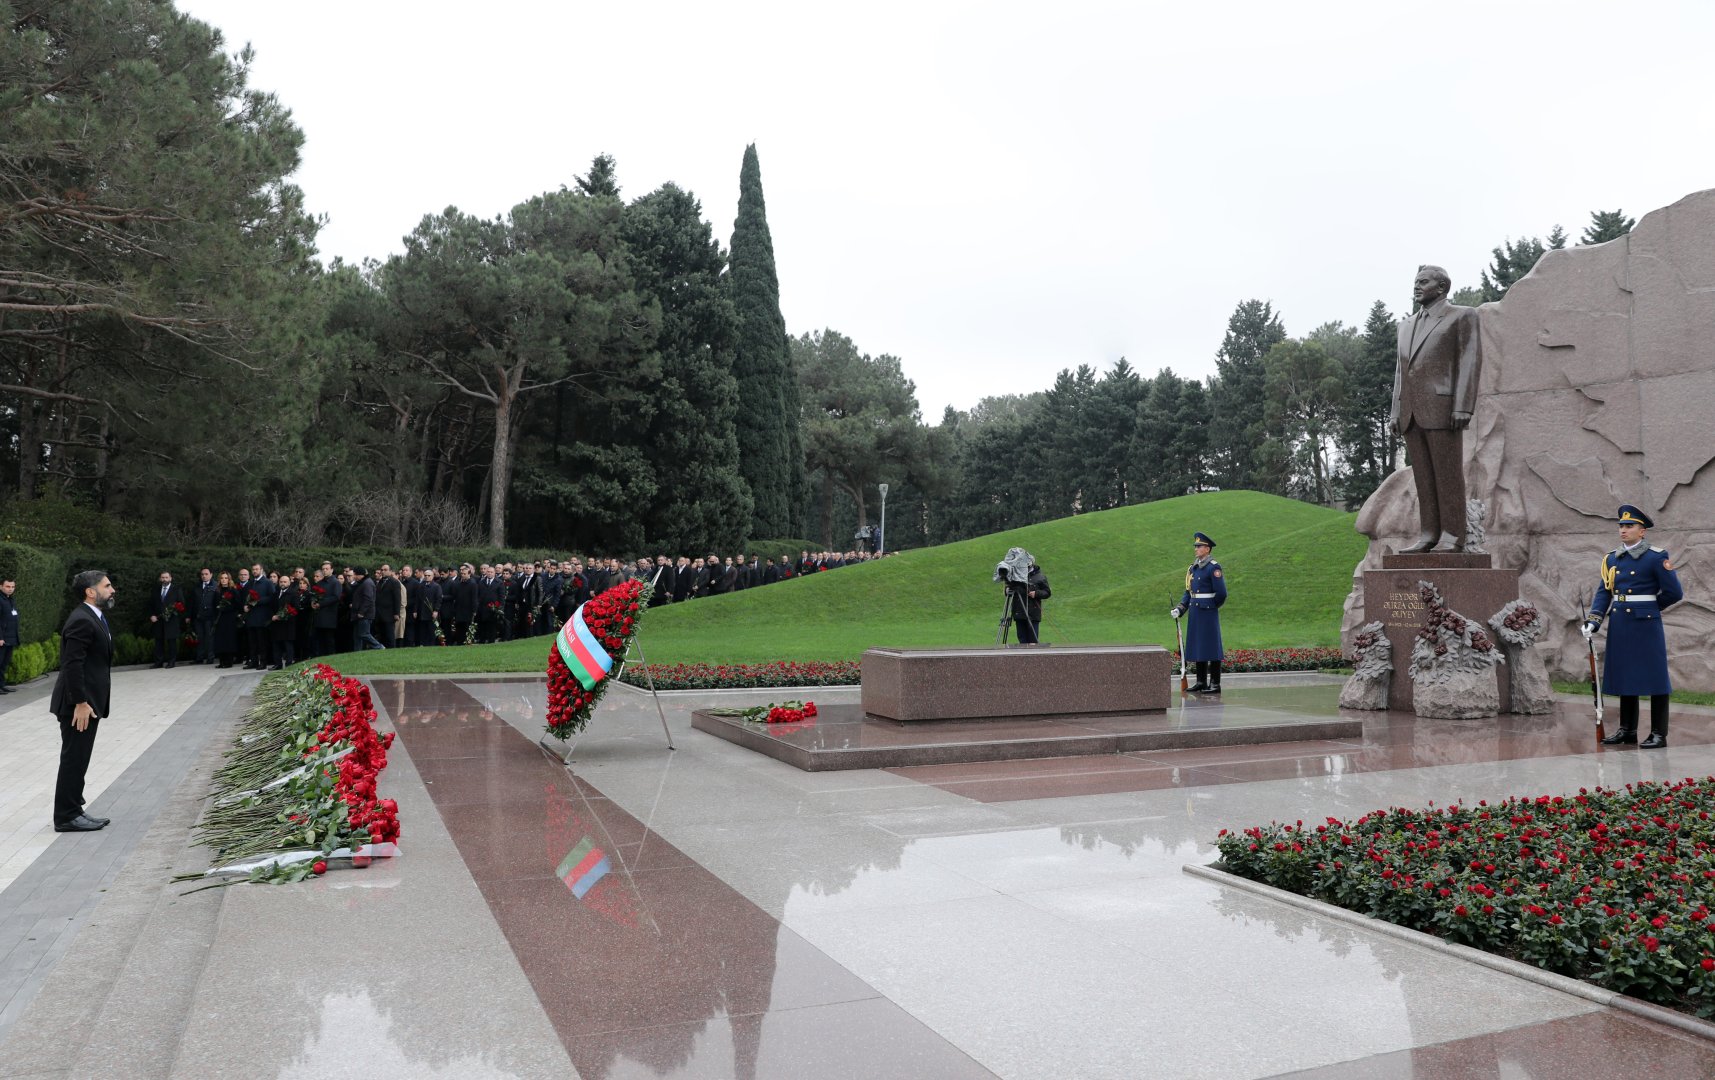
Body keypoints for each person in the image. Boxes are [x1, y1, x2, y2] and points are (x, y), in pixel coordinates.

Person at [1391, 264, 1482, 552]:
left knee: (1448, 475)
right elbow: (1400, 372)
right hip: (1412, 413)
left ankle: (1453, 535)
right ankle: (1428, 533)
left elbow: (1470, 361)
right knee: (1424, 478)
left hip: (1443, 409)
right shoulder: (1405, 326)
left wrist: (1463, 406)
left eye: (1423, 282)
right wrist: (1396, 411)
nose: (1416, 286)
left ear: (1442, 287)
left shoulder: (1461, 315)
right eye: (1415, 282)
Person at [1585, 505, 1684, 749]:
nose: (1623, 530)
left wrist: (1650, 608)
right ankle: (1627, 730)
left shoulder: (1656, 556)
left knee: (1655, 678)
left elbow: (1674, 592)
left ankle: (1659, 733)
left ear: (1642, 532)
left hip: (1646, 625)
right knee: (1625, 675)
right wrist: (1594, 620)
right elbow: (1604, 592)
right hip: (1620, 624)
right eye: (1621, 526)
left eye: (1629, 526)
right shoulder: (1611, 558)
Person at [52, 570, 115, 832]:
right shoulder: (81, 620)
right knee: (74, 759)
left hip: (86, 703)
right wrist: (80, 702)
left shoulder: (93, 616)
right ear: (91, 592)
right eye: (107, 586)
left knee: (79, 759)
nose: (112, 590)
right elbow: (72, 664)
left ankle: (74, 810)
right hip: (78, 705)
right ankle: (66, 816)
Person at [1171, 532, 1228, 693]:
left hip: (1208, 611)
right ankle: (1201, 681)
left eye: (1199, 546)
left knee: (1212, 646)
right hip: (1195, 612)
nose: (1196, 549)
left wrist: (1211, 606)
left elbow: (1222, 593)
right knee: (1198, 646)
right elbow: (1188, 592)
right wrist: (1180, 608)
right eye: (1195, 546)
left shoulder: (1213, 567)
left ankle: (1215, 684)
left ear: (1207, 549)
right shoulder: (1193, 568)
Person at [147, 570, 185, 668]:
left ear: (170, 578)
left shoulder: (176, 589)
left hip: (171, 620)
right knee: (158, 642)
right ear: (160, 578)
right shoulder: (156, 589)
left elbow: (181, 603)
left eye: (166, 577)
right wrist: (151, 615)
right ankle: (158, 662)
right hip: (158, 620)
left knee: (171, 642)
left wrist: (172, 611)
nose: (164, 579)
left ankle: (171, 662)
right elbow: (151, 604)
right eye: (162, 577)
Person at [212, 571, 241, 668]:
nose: (224, 580)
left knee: (229, 639)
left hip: (230, 618)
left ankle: (229, 662)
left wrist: (227, 608)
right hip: (220, 618)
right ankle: (221, 661)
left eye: (226, 578)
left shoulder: (233, 590)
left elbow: (237, 605)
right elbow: (214, 604)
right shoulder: (217, 591)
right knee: (220, 639)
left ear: (229, 579)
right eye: (222, 578)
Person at [351, 567, 384, 650]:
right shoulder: (363, 582)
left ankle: (379, 646)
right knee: (357, 636)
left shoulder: (367, 583)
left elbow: (368, 599)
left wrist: (362, 612)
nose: (354, 576)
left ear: (360, 575)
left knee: (364, 634)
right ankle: (357, 654)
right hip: (360, 614)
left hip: (365, 615)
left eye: (355, 574)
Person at [192, 567, 217, 664]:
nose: (204, 576)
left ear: (211, 575)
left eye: (206, 574)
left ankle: (210, 657)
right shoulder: (197, 586)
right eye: (202, 574)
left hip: (210, 617)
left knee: (210, 638)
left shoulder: (215, 586)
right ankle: (199, 657)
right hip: (198, 617)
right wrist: (189, 616)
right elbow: (192, 602)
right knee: (200, 637)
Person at [0, 576, 18, 693]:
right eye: (7, 586)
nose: (10, 589)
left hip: (10, 638)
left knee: (4, 664)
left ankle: (1, 685)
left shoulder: (10, 599)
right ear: (1, 586)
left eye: (12, 587)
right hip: (2, 639)